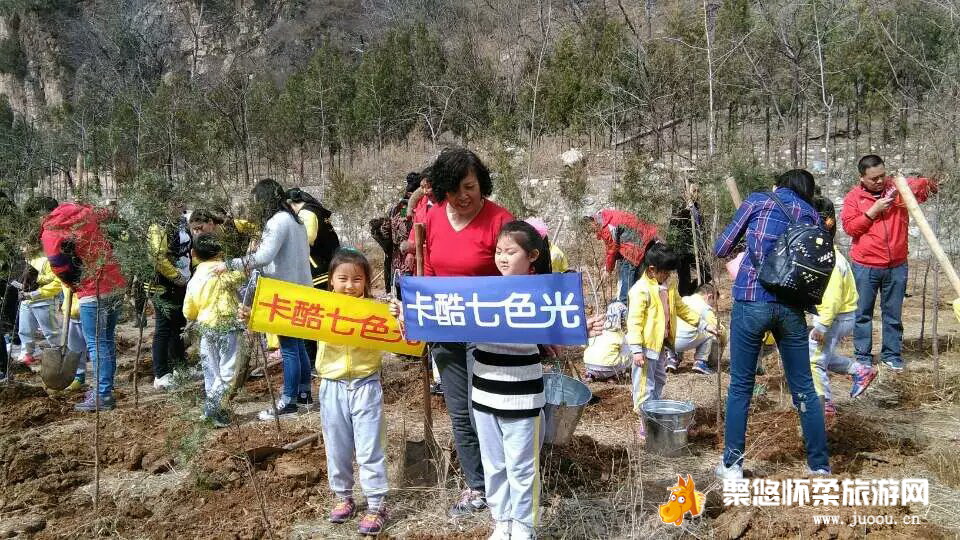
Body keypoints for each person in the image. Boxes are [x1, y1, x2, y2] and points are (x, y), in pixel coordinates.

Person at [713, 169, 830, 479]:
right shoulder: (812, 216)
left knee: (741, 386)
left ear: (779, 185)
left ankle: (733, 465)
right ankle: (819, 465)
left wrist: (748, 249)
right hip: (791, 307)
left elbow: (721, 247)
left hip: (752, 299)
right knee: (804, 386)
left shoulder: (759, 201)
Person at [421, 147, 514, 517]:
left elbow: (519, 273)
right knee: (459, 410)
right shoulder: (432, 219)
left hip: (487, 328)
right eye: (454, 189)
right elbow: (427, 269)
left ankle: (500, 483)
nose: (463, 196)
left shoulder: (500, 220)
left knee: (485, 410)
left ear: (482, 184)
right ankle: (476, 485)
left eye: (470, 187)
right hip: (445, 325)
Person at [471, 221, 550, 540]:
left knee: (521, 468)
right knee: (494, 465)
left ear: (532, 255)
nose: (502, 258)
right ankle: (501, 521)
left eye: (511, 252)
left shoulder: (544, 293)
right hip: (484, 393)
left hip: (523, 397)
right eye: (498, 251)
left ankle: (524, 527)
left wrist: (587, 327)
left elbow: (563, 331)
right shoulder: (483, 291)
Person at [217, 178, 313, 420]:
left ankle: (288, 401)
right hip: (301, 289)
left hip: (285, 292)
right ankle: (304, 394)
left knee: (289, 347)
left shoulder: (277, 221)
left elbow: (263, 256)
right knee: (298, 344)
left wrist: (229, 265)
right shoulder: (294, 219)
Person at [840, 155, 937, 372]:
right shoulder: (854, 198)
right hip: (865, 266)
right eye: (874, 178)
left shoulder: (898, 189)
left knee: (893, 313)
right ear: (862, 178)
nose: (880, 181)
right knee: (862, 313)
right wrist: (873, 211)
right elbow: (850, 228)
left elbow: (923, 189)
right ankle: (863, 356)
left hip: (897, 265)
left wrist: (933, 179)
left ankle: (891, 355)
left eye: (882, 175)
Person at [317, 248, 390, 536]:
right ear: (330, 281)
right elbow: (283, 320)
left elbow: (402, 331)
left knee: (370, 446)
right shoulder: (318, 307)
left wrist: (397, 312)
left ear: (367, 282)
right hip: (332, 385)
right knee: (336, 445)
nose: (350, 285)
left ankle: (376, 503)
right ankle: (343, 496)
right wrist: (254, 313)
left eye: (357, 279)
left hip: (365, 384)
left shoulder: (375, 310)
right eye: (343, 278)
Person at [41, 202, 127, 411]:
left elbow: (58, 265)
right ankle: (105, 388)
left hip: (92, 290)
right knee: (105, 339)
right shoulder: (88, 212)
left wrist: (73, 283)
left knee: (97, 343)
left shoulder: (51, 229)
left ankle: (102, 394)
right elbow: (113, 217)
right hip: (116, 282)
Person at [626, 243, 712, 440]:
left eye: (670, 272)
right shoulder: (641, 290)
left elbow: (680, 308)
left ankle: (654, 415)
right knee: (643, 385)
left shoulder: (669, 286)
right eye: (664, 272)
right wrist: (636, 349)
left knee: (659, 380)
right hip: (646, 347)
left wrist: (703, 324)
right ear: (652, 269)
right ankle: (645, 424)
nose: (668, 276)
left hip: (661, 345)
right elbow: (634, 321)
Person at [809, 196, 877, 421]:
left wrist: (821, 325)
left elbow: (831, 297)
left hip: (834, 317)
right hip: (839, 316)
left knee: (814, 361)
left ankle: (825, 405)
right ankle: (860, 370)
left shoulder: (829, 260)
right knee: (821, 355)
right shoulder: (826, 252)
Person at [183, 233, 246, 428]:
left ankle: (216, 410)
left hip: (206, 327)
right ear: (220, 252)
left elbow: (188, 309)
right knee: (227, 372)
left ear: (193, 254)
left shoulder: (194, 279)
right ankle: (212, 410)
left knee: (211, 371)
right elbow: (242, 275)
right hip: (228, 325)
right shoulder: (225, 272)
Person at [286, 188, 340, 362]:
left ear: (290, 203)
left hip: (318, 272)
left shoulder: (307, 213)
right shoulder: (316, 211)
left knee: (313, 318)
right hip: (327, 268)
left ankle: (316, 360)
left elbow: (306, 239)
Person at [147, 201, 192, 390]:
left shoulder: (181, 223)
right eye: (176, 202)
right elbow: (157, 256)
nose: (180, 206)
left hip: (182, 282)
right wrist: (175, 276)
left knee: (179, 325)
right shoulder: (158, 226)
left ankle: (180, 367)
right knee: (164, 326)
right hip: (163, 284)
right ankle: (161, 373)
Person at [584, 209, 659, 304]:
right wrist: (607, 266)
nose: (591, 229)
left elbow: (612, 248)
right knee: (631, 275)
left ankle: (624, 303)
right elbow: (612, 247)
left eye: (589, 225)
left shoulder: (607, 226)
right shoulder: (605, 217)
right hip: (640, 243)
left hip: (635, 247)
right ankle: (631, 301)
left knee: (627, 273)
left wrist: (608, 269)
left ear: (593, 220)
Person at [16, 240, 63, 367]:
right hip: (26, 301)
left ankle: (60, 354)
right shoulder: (24, 260)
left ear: (32, 245)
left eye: (23, 244)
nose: (21, 248)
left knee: (51, 332)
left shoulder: (45, 259)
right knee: (24, 330)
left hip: (44, 301)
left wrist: (37, 289)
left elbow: (57, 282)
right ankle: (27, 354)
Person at [664, 283, 718, 376]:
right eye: (714, 302)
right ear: (710, 296)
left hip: (669, 342)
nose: (713, 305)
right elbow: (714, 325)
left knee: (677, 328)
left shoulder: (683, 299)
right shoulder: (705, 307)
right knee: (709, 333)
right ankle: (700, 362)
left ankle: (672, 359)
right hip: (685, 341)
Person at [669, 182, 712, 296]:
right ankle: (684, 299)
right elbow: (674, 224)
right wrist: (685, 210)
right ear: (687, 192)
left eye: (698, 191)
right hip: (681, 249)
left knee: (707, 273)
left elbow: (700, 227)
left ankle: (692, 292)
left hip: (694, 248)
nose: (697, 193)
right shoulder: (680, 204)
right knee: (684, 278)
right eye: (694, 191)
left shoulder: (696, 205)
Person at [582, 302, 631, 382]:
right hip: (609, 368)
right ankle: (614, 374)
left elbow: (584, 345)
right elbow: (626, 353)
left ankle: (590, 375)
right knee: (629, 351)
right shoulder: (619, 334)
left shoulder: (597, 329)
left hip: (589, 365)